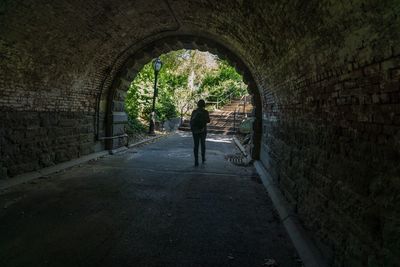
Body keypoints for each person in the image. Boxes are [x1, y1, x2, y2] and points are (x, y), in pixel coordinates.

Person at [190, 99, 210, 166]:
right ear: (204, 105)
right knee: (203, 144)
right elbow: (208, 121)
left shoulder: (194, 111)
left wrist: (192, 128)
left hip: (195, 131)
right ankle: (203, 158)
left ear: (198, 104)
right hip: (203, 130)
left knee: (196, 145)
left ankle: (196, 161)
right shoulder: (205, 112)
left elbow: (191, 120)